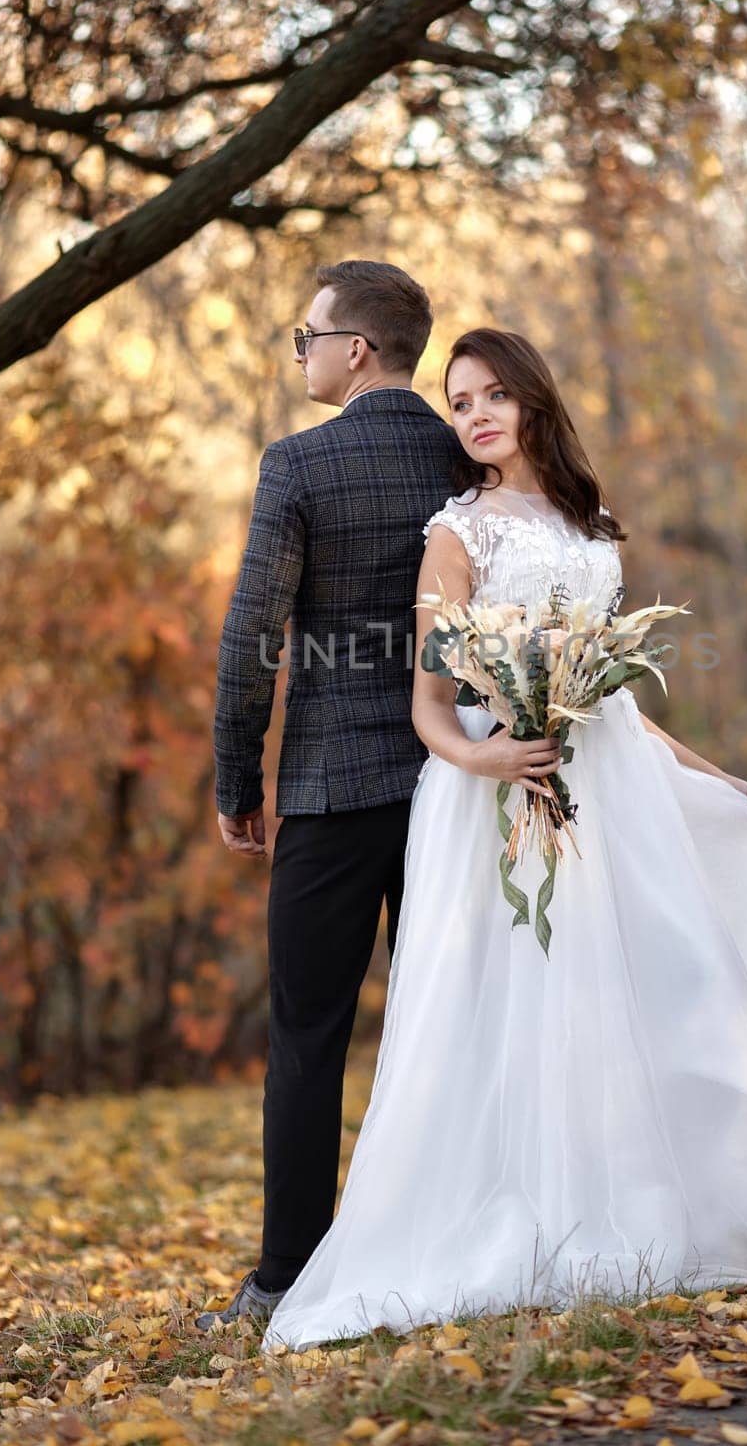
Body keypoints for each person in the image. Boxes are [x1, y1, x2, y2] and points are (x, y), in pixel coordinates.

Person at [258, 328, 747, 1353]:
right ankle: (524, 1210)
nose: (478, 415)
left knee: (654, 980)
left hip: (607, 782)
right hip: (495, 791)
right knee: (514, 1000)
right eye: (460, 402)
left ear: (533, 400)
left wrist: (712, 777)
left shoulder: (591, 526)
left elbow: (617, 703)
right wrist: (483, 758)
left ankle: (654, 1188)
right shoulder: (458, 531)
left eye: (494, 394)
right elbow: (430, 701)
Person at [198, 260, 465, 1331]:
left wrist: (235, 776)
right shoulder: (469, 458)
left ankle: (286, 1280)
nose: (299, 349)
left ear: (356, 348)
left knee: (309, 1037)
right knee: (443, 1027)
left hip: (327, 787)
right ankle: (446, 1252)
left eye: (306, 333)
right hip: (456, 785)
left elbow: (249, 636)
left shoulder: (299, 465)